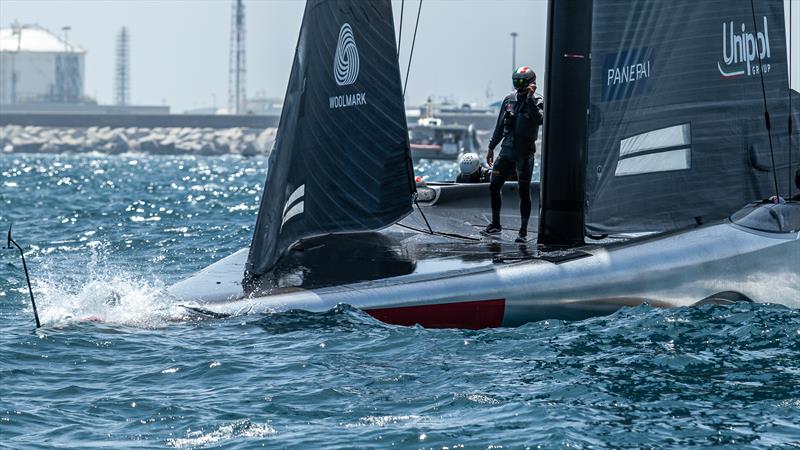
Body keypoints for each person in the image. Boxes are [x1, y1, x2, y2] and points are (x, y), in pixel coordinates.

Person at [483, 66, 544, 242]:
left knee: (523, 191)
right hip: (506, 152)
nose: (519, 86)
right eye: (515, 82)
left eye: (522, 82)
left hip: (524, 154)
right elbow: (500, 125)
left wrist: (530, 98)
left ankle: (523, 231)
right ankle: (495, 224)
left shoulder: (538, 100)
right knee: (494, 185)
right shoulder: (509, 99)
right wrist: (491, 147)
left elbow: (539, 119)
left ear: (531, 83)